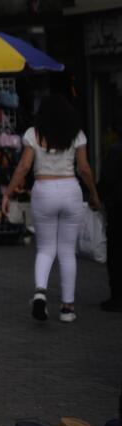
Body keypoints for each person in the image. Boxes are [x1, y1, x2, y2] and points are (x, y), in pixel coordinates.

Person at [3, 95, 101, 323]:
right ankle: (67, 308)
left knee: (46, 248)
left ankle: (40, 292)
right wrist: (94, 195)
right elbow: (84, 168)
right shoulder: (77, 135)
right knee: (67, 251)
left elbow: (24, 167)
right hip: (70, 190)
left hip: (43, 190)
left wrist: (7, 193)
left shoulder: (33, 134)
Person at [101, 124, 122, 312]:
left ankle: (117, 296)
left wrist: (100, 197)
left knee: (115, 251)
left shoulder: (116, 150)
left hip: (117, 205)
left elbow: (107, 178)